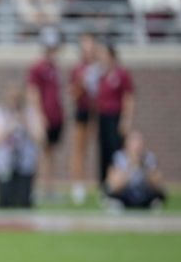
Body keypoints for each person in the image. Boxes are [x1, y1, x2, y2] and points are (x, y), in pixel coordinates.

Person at [0, 82, 45, 208]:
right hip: (4, 162)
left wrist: (25, 123)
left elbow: (41, 138)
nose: (14, 102)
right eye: (11, 98)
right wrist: (8, 128)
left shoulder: (30, 113)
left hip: (25, 162)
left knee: (24, 199)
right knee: (5, 198)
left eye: (17, 98)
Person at [26, 26, 64, 200]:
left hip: (55, 116)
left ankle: (49, 187)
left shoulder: (54, 67)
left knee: (51, 153)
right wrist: (39, 116)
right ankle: (39, 188)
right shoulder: (38, 67)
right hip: (44, 117)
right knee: (41, 153)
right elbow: (33, 92)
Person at [68, 33, 102, 205]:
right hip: (82, 111)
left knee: (98, 149)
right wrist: (82, 83)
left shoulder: (101, 67)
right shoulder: (78, 69)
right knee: (79, 150)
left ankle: (100, 184)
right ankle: (78, 185)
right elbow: (72, 94)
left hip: (97, 112)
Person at [95, 42, 135, 189]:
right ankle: (104, 182)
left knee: (115, 150)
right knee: (103, 149)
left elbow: (128, 98)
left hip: (115, 116)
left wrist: (126, 119)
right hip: (103, 116)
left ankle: (118, 181)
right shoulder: (101, 74)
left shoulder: (121, 74)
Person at [104, 130, 167, 209]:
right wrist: (130, 166)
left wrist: (143, 166)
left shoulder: (149, 158)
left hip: (143, 192)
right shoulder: (119, 157)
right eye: (133, 142)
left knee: (161, 192)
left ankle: (151, 204)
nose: (137, 146)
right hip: (126, 193)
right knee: (108, 190)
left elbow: (157, 183)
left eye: (139, 142)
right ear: (126, 144)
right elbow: (114, 185)